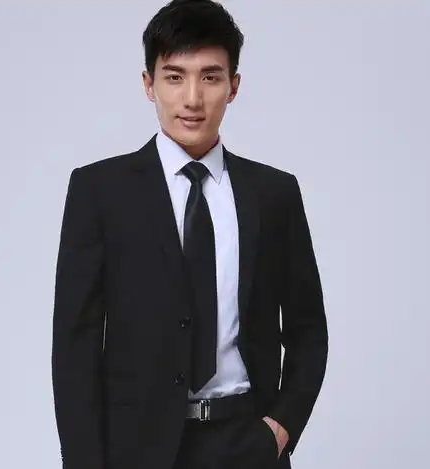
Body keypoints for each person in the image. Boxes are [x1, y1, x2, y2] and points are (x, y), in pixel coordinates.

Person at [51, 0, 328, 468]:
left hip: (246, 443)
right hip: (136, 451)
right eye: (175, 77)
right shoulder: (100, 191)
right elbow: (74, 347)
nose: (193, 99)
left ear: (234, 86)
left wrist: (280, 429)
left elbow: (308, 329)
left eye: (211, 77)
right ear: (149, 84)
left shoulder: (273, 194)